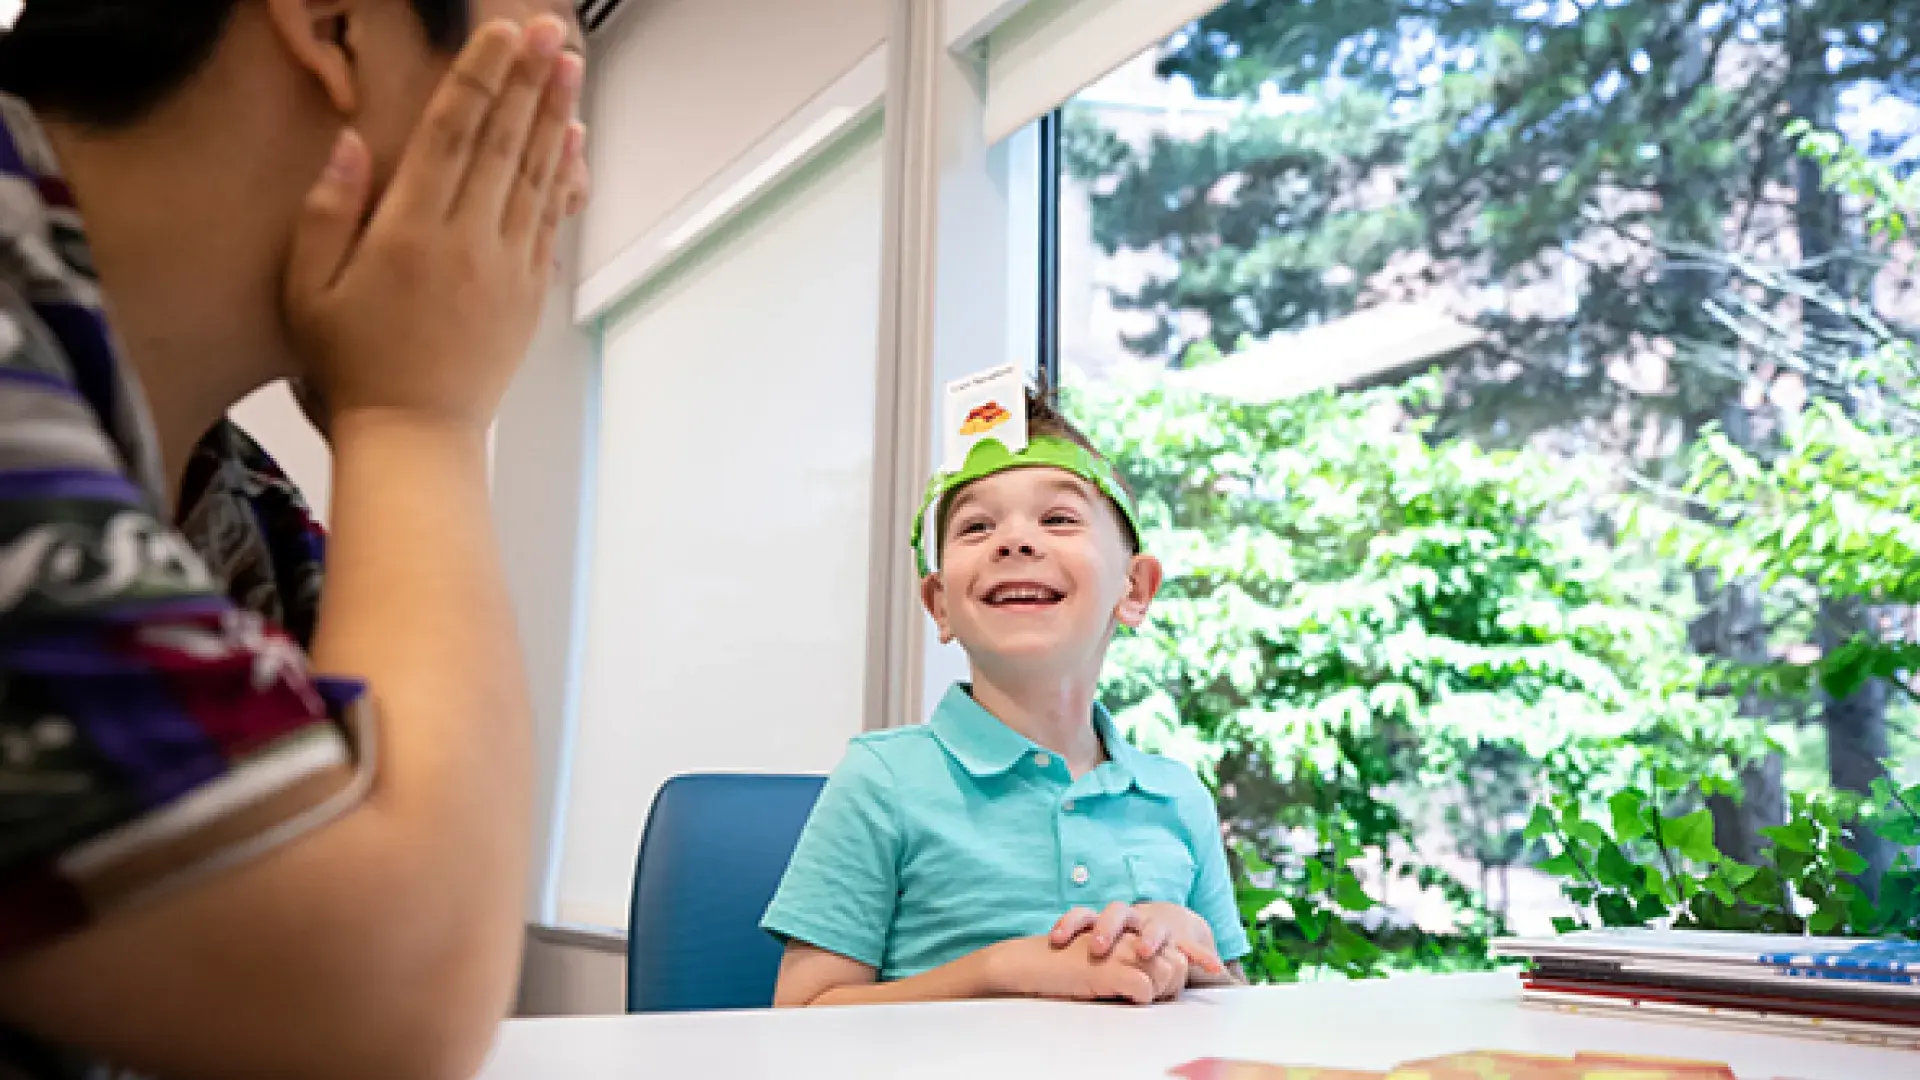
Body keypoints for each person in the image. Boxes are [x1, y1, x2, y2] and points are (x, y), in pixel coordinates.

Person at [0, 1, 590, 1077]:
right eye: (551, 71)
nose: (568, 178)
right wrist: (418, 417)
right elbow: (390, 999)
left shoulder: (234, 503)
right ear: (338, 24)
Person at [763, 389, 1252, 1007]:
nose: (1015, 541)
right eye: (976, 526)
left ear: (1135, 589)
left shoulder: (1179, 796)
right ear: (941, 605)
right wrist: (1002, 969)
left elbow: (1237, 1009)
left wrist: (1191, 948)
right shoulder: (881, 780)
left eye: (1058, 519)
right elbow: (802, 1012)